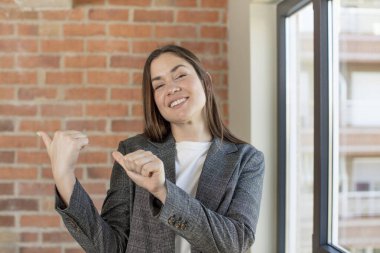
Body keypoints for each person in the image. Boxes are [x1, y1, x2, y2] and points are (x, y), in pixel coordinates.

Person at [37, 45, 265, 253]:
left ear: (205, 81)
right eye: (159, 85)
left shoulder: (246, 160)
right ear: (154, 99)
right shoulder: (133, 151)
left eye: (180, 75)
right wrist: (64, 177)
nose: (172, 88)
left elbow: (235, 242)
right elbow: (109, 247)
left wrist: (162, 191)